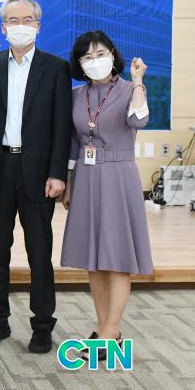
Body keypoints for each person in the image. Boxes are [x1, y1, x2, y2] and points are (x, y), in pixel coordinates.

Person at [0, 0, 72, 354]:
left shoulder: (55, 67)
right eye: (12, 21)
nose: (20, 26)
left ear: (38, 26)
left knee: (39, 253)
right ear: (3, 28)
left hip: (38, 173)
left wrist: (58, 173)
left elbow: (62, 125)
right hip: (0, 169)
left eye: (27, 20)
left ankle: (42, 326)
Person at [60, 30, 152, 361]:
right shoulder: (76, 95)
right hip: (85, 177)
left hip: (118, 176)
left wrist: (138, 81)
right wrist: (69, 183)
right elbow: (73, 143)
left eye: (100, 54)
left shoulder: (129, 89)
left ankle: (112, 332)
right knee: (94, 262)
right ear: (79, 63)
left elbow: (139, 119)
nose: (94, 61)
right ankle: (103, 329)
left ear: (113, 55)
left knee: (117, 259)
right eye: (87, 57)